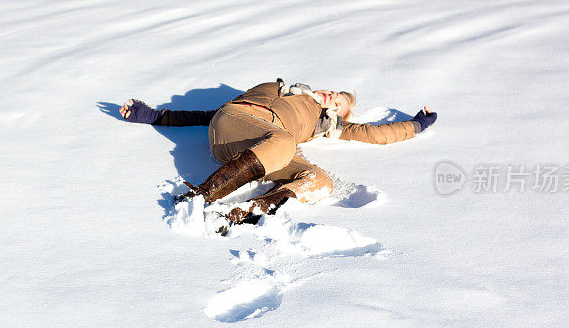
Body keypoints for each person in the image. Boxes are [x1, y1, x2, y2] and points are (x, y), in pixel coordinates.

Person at [120, 79, 437, 225]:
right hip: (234, 125)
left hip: (263, 148)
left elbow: (374, 134)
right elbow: (211, 114)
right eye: (335, 92)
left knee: (318, 180)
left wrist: (417, 125)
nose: (332, 98)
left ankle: (244, 212)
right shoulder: (277, 89)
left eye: (338, 105)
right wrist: (154, 116)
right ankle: (201, 197)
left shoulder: (323, 124)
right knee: (284, 143)